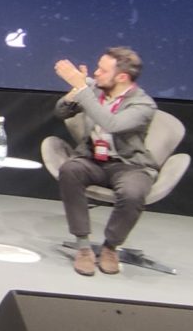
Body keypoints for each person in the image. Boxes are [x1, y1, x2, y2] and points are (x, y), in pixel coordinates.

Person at [52, 46, 159, 276]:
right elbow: (60, 112)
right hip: (92, 160)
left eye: (102, 70)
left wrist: (82, 89)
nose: (96, 73)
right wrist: (74, 92)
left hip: (129, 165)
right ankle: (83, 247)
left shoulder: (143, 104)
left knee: (133, 192)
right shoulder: (92, 89)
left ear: (122, 77)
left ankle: (110, 247)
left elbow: (112, 124)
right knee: (70, 170)